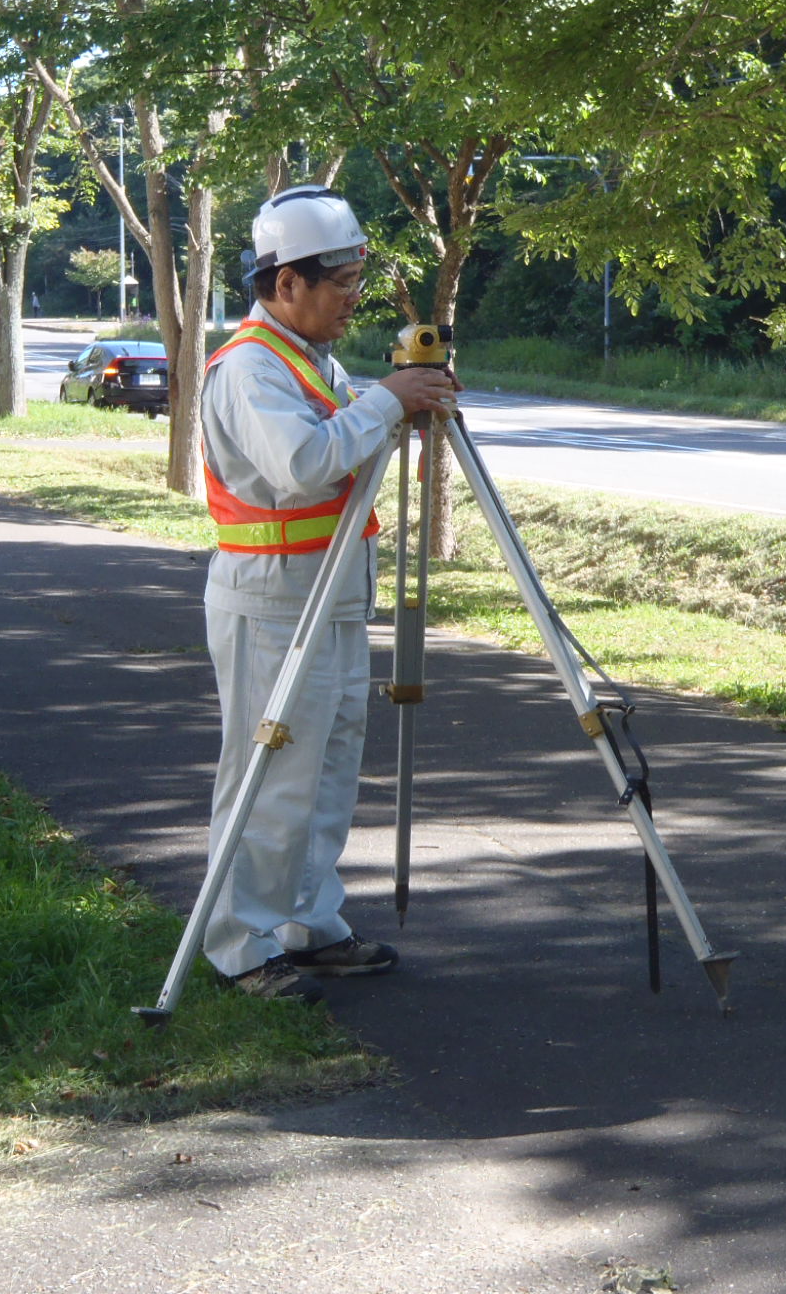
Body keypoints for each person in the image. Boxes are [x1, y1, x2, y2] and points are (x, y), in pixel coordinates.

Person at [199, 185, 456, 1002]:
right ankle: (239, 943)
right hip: (275, 599)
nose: (353, 297)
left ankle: (308, 922)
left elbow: (347, 444)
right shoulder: (250, 367)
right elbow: (303, 465)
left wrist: (400, 411)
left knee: (327, 771)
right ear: (286, 283)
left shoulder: (313, 361)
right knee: (268, 778)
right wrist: (387, 401)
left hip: (331, 595)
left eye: (356, 280)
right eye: (340, 282)